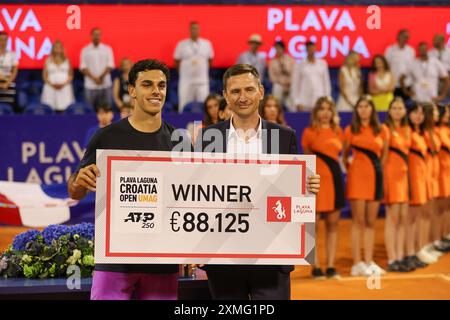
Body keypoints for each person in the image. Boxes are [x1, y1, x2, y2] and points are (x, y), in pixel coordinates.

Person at [195, 64, 320, 300]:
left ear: (261, 92)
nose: (243, 97)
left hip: (272, 257)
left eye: (249, 89)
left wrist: (309, 187)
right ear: (225, 96)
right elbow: (198, 196)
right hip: (224, 257)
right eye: (235, 91)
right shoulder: (208, 138)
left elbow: (296, 193)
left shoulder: (285, 136)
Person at [67, 59, 181, 300]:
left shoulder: (180, 141)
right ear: (132, 91)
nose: (156, 91)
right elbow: (74, 192)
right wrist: (79, 181)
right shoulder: (106, 136)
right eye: (147, 84)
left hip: (162, 261)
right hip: (115, 260)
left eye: (161, 85)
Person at [343, 95, 389, 276]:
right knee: (358, 222)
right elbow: (345, 156)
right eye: (360, 106)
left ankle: (369, 261)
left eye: (366, 106)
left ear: (372, 109)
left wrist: (375, 171)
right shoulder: (350, 130)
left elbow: (384, 157)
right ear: (356, 110)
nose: (363, 109)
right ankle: (356, 263)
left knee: (371, 222)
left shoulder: (382, 130)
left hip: (375, 178)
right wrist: (354, 169)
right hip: (357, 179)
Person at [301, 96, 344, 279]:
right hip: (316, 183)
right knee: (315, 226)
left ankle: (331, 265)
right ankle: (316, 266)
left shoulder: (337, 131)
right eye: (322, 109)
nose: (325, 112)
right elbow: (308, 160)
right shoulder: (309, 132)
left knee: (333, 226)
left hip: (335, 181)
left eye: (328, 109)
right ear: (316, 112)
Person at [382, 97, 414, 272]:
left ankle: (400, 256)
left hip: (404, 178)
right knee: (392, 219)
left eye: (400, 108)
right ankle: (392, 258)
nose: (397, 111)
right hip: (391, 178)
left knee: (403, 218)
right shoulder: (385, 129)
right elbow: (384, 157)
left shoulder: (407, 129)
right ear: (389, 111)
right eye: (394, 108)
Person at [406, 103, 430, 267]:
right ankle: (409, 252)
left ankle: (416, 249)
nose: (418, 116)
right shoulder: (407, 132)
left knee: (418, 217)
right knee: (410, 218)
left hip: (422, 177)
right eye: (415, 112)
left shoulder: (422, 133)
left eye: (421, 113)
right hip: (410, 178)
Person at [174, 21, 214, 113]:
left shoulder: (207, 44)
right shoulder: (181, 44)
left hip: (202, 81)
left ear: (199, 30)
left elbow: (210, 60)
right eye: (192, 28)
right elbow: (177, 60)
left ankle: (206, 126)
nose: (194, 30)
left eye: (196, 28)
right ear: (189, 30)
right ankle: (181, 126)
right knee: (183, 105)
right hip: (186, 81)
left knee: (206, 106)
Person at [290, 41, 331, 111]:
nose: (311, 50)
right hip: (304, 102)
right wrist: (297, 101)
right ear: (306, 50)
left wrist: (326, 100)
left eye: (313, 48)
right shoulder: (299, 65)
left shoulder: (322, 63)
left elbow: (326, 83)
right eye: (309, 49)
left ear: (315, 49)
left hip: (319, 101)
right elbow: (295, 84)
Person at [80, 27, 115, 109]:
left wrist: (101, 77)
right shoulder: (85, 50)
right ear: (91, 36)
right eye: (95, 34)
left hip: (105, 84)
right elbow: (83, 67)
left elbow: (110, 65)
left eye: (98, 35)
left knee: (107, 109)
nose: (97, 36)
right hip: (90, 86)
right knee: (89, 110)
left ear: (101, 36)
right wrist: (94, 78)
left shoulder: (107, 49)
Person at [41, 40, 75, 112]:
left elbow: (71, 75)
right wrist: (52, 85)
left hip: (64, 88)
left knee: (64, 109)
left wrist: (63, 84)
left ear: (62, 48)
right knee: (50, 109)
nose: (57, 49)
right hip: (50, 88)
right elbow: (44, 76)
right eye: (56, 47)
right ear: (53, 48)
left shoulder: (67, 60)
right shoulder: (48, 60)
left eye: (59, 47)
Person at [385, 29, 416, 100]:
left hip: (407, 83)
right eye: (404, 36)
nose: (406, 39)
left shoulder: (411, 50)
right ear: (398, 37)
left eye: (407, 37)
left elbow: (412, 68)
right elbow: (386, 66)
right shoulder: (390, 50)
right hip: (394, 84)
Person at [436, 104, 450, 252]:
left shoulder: (445, 129)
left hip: (446, 171)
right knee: (437, 210)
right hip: (439, 172)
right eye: (445, 113)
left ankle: (444, 235)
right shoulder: (438, 131)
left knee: (446, 208)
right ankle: (436, 239)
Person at [268, 40, 295, 110]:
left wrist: (289, 82)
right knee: (276, 88)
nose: (278, 50)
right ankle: (276, 109)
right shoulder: (272, 62)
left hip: (290, 84)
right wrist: (282, 83)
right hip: (279, 84)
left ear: (283, 49)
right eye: (276, 48)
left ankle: (293, 113)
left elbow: (294, 73)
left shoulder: (290, 60)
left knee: (291, 103)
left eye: (279, 48)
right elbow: (272, 77)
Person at [0, 31, 18, 110]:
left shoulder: (12, 54)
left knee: (8, 108)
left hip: (8, 84)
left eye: (5, 40)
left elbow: (14, 71)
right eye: (1, 40)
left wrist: (7, 83)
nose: (3, 42)